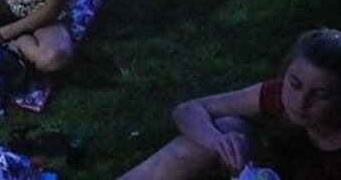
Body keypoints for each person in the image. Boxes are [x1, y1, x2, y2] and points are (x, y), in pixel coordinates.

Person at [120, 27, 341, 180]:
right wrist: (218, 142)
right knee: (226, 128)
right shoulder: (278, 93)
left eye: (320, 95)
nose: (300, 102)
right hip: (269, 171)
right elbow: (188, 109)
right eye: (295, 83)